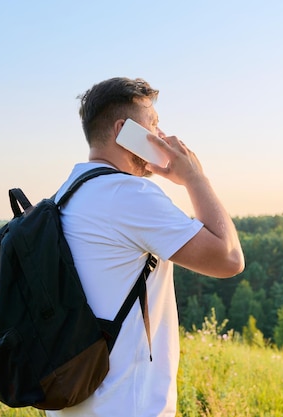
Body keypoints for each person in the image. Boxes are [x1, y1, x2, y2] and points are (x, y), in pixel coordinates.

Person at [47, 77, 244, 417]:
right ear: (124, 130)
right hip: (127, 407)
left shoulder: (64, 196)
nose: (160, 136)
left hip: (71, 406)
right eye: (152, 125)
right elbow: (228, 259)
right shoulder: (129, 195)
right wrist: (195, 177)